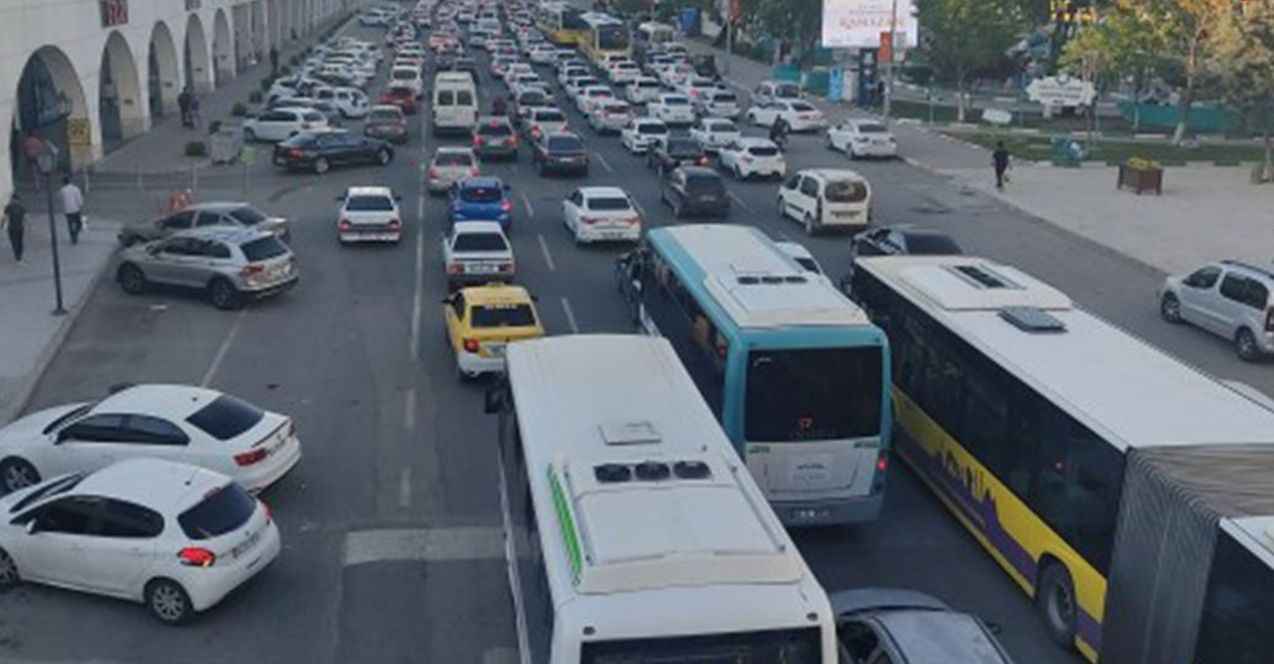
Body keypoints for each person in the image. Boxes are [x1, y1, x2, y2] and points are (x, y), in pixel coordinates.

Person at [58, 175, 84, 245]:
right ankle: (75, 234)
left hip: (67, 210)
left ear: (63, 182)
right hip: (76, 209)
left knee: (70, 224)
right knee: (79, 224)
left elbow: (60, 199)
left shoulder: (62, 190)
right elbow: (79, 199)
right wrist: (80, 205)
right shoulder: (75, 188)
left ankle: (73, 237)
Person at [2, 193, 25, 263]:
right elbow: (26, 217)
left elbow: (5, 217)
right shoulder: (21, 207)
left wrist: (2, 225)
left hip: (12, 228)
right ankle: (18, 256)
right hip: (19, 227)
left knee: (15, 242)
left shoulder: (9, 207)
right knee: (19, 242)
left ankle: (18, 256)